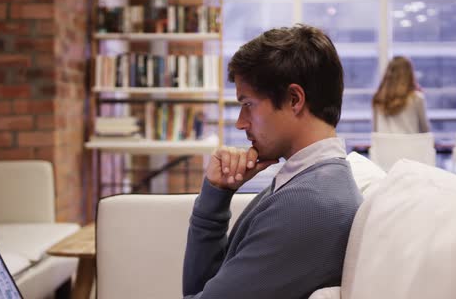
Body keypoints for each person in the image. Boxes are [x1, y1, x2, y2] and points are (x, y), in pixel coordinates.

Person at [182, 24, 362, 299]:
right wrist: (216, 193)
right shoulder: (303, 182)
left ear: (293, 99)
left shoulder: (310, 205)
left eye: (248, 104)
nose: (241, 123)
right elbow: (202, 289)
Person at [372, 56, 431, 133]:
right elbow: (425, 130)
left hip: (385, 144)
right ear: (409, 74)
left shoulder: (378, 97)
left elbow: (376, 131)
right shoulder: (416, 98)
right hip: (410, 144)